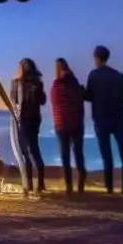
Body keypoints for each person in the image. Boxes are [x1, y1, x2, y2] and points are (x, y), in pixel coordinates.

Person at [84, 45, 123, 194]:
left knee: (107, 154)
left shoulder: (93, 75)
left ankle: (109, 187)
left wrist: (81, 93)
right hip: (118, 116)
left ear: (97, 58)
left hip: (101, 118)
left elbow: (89, 95)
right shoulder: (119, 75)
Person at [10, 58, 46, 195]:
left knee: (27, 150)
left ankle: (31, 183)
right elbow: (42, 100)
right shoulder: (36, 83)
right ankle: (36, 182)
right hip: (33, 119)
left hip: (25, 120)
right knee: (31, 148)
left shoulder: (19, 83)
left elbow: (14, 100)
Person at [50, 57, 86, 195]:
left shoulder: (57, 84)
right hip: (77, 123)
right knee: (78, 153)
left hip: (62, 124)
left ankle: (69, 187)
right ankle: (81, 184)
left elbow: (55, 103)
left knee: (65, 155)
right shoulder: (75, 83)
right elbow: (80, 100)